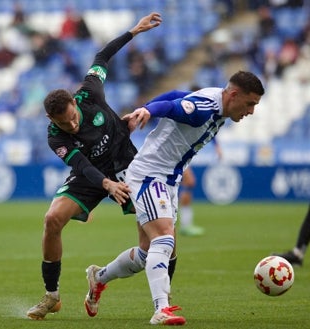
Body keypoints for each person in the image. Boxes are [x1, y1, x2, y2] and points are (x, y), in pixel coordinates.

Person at [85, 71, 265, 325]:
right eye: (250, 104)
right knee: (165, 238)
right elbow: (172, 105)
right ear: (234, 95)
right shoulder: (203, 108)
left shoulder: (216, 101)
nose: (251, 111)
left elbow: (176, 96)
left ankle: (99, 278)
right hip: (149, 175)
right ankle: (161, 308)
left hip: (168, 179)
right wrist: (150, 111)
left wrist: (146, 108)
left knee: (149, 252)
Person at [26, 12, 163, 320]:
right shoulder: (55, 135)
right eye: (64, 122)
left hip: (128, 166)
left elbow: (102, 55)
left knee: (155, 241)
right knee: (52, 219)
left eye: (72, 117)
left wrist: (134, 31)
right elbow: (82, 164)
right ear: (52, 120)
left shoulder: (91, 91)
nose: (71, 125)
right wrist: (106, 184)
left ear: (75, 103)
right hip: (93, 176)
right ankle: (52, 296)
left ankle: (101, 278)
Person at [178, 138, 222, 236]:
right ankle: (183, 224)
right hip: (172, 151)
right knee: (188, 182)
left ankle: (184, 224)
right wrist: (217, 146)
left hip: (179, 151)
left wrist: (216, 146)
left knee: (188, 182)